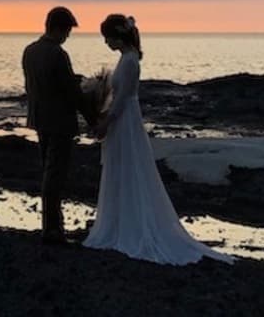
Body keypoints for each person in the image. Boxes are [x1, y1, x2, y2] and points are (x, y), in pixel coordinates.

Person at [83, 14, 233, 265]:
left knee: (130, 168)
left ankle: (131, 225)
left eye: (107, 37)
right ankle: (120, 219)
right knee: (121, 168)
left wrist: (106, 121)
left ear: (117, 35)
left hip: (126, 121)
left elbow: (122, 98)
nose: (106, 43)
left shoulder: (130, 61)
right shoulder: (125, 59)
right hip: (123, 119)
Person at [21, 6, 97, 245]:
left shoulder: (29, 51)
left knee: (48, 170)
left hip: (39, 118)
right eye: (67, 32)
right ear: (58, 29)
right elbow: (71, 92)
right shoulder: (57, 54)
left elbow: (38, 85)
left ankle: (51, 226)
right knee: (55, 175)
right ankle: (53, 230)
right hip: (59, 122)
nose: (67, 37)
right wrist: (94, 119)